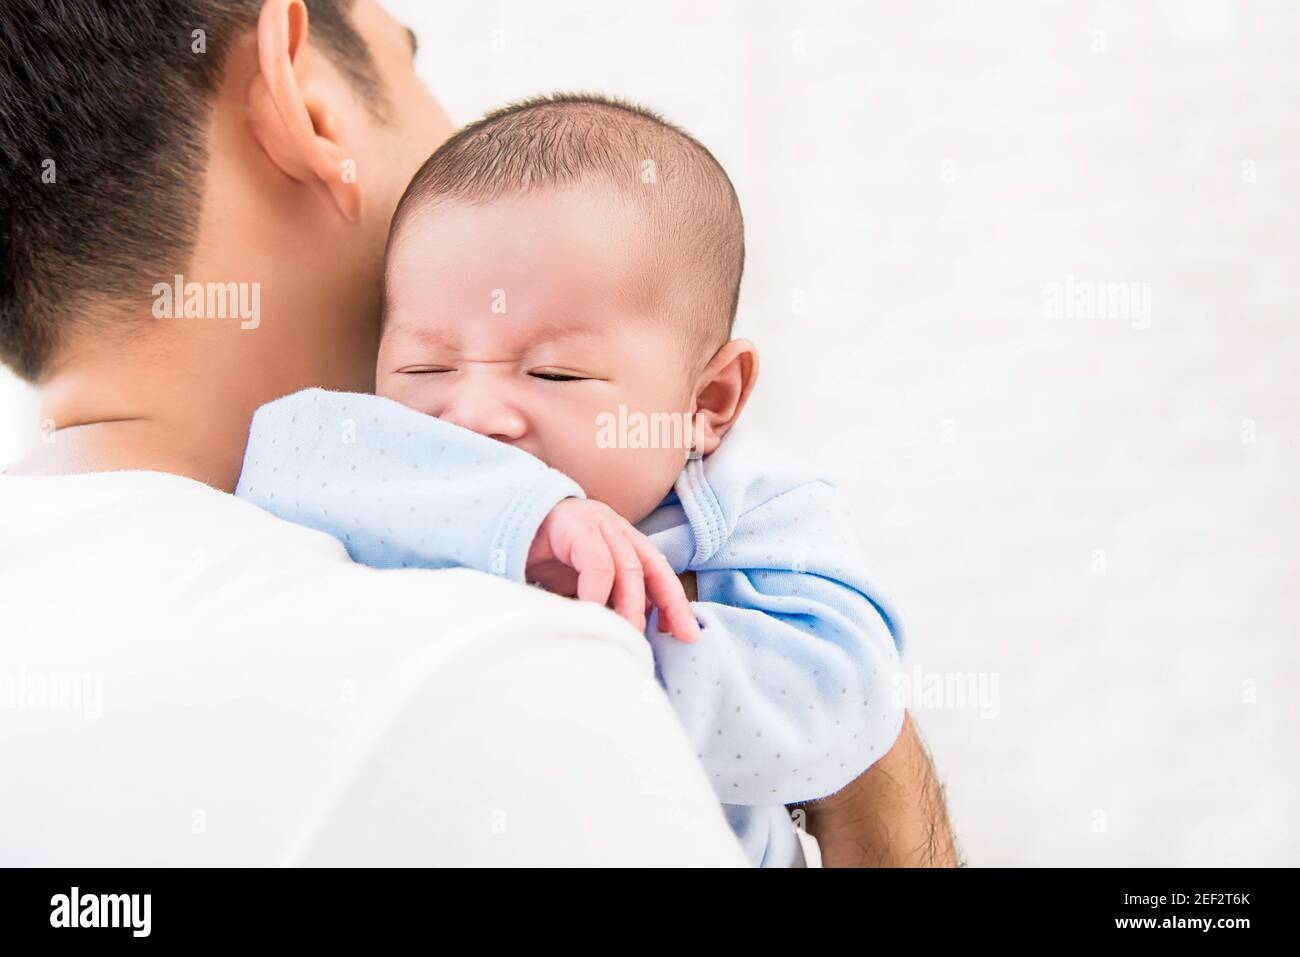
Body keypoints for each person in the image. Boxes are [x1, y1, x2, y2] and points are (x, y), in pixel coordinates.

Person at [0, 0, 957, 866]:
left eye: (553, 371)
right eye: (426, 366)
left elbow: (838, 694)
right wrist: (539, 530)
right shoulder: (493, 680)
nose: (479, 413)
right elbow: (308, 452)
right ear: (308, 103)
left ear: (714, 398)